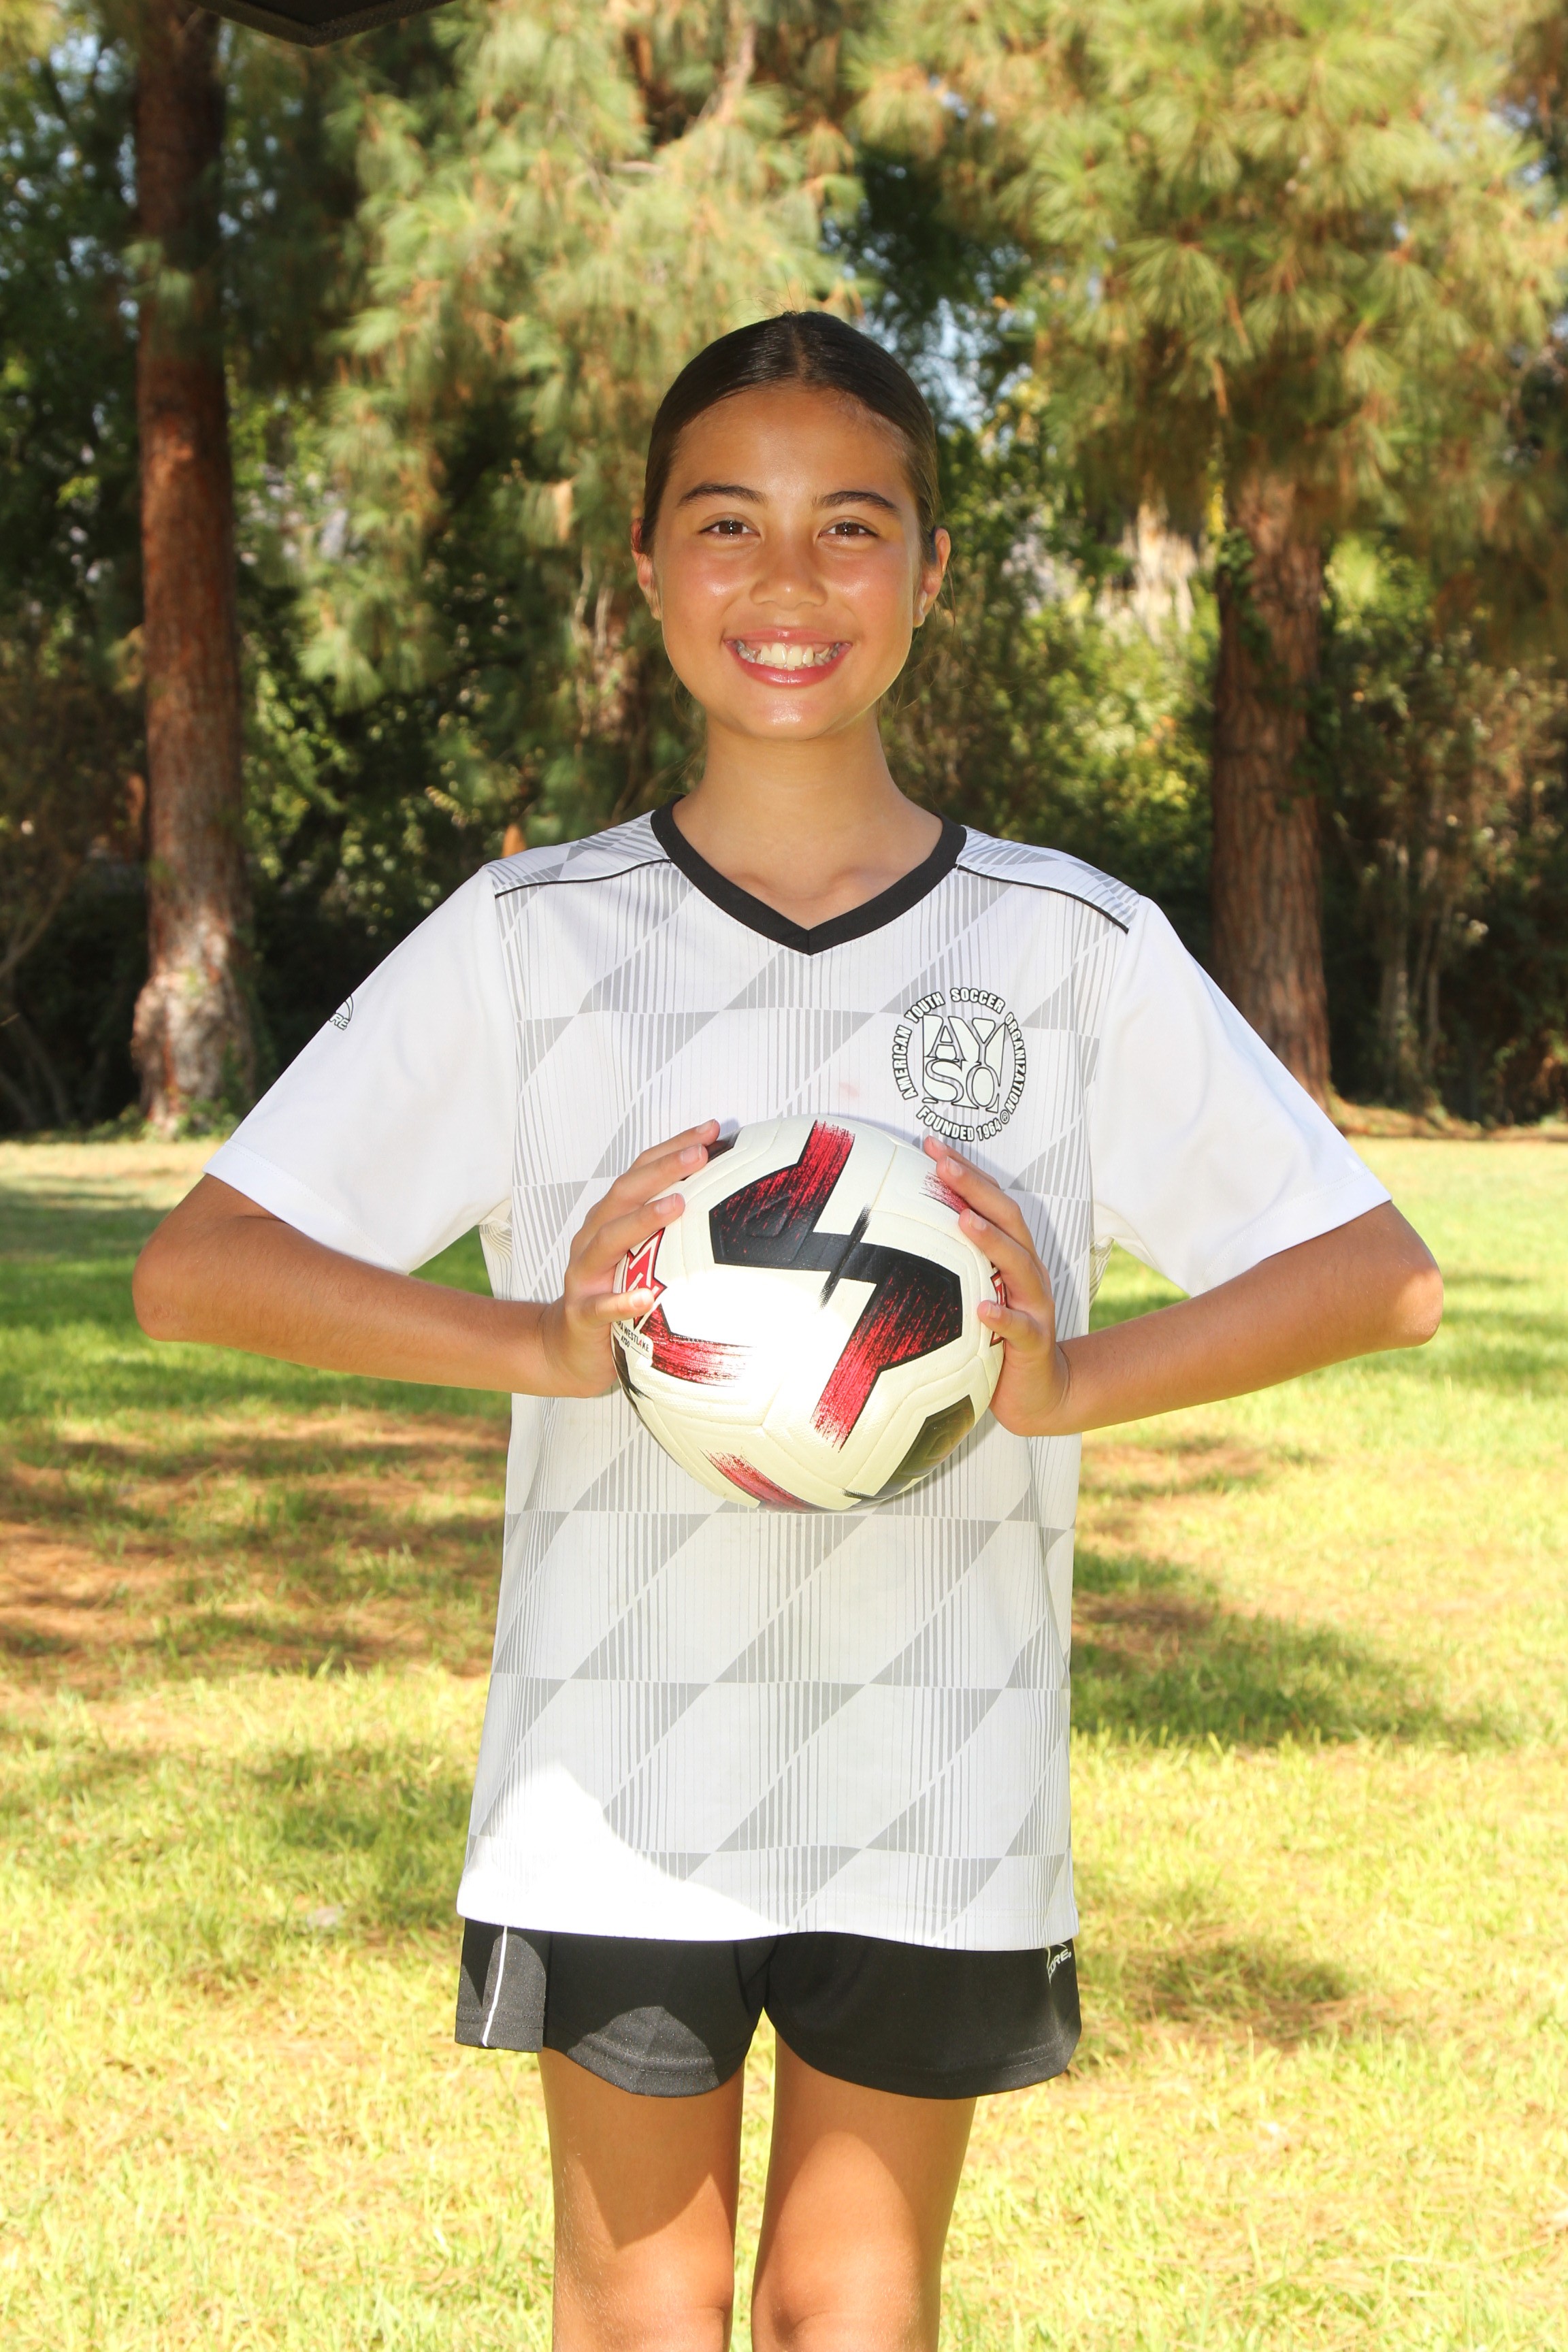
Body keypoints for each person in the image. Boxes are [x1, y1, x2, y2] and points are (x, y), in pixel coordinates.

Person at [133, 312, 1443, 2352]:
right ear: (647, 566)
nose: (789, 579)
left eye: (852, 525)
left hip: (940, 1766)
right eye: (727, 521)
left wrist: (1075, 1382)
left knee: (854, 2310)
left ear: (931, 571)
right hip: (616, 1766)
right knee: (643, 2316)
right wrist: (538, 1344)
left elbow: (1377, 1270)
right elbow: (200, 1265)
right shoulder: (533, 940)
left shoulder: (1070, 947)